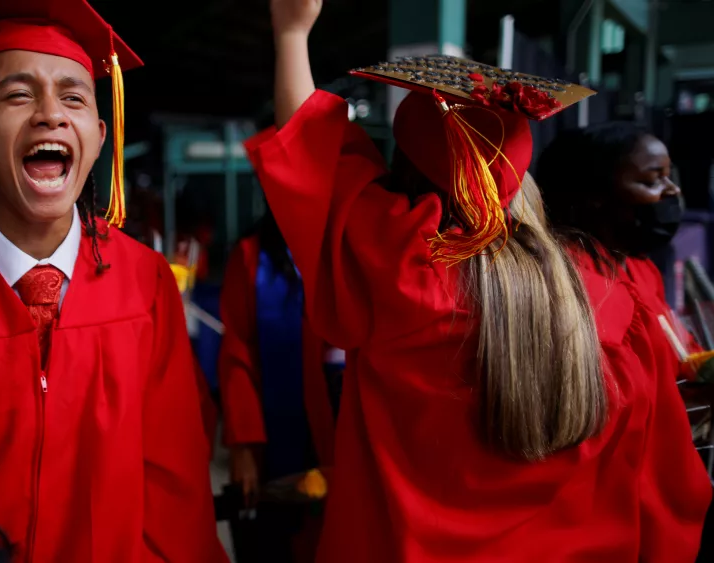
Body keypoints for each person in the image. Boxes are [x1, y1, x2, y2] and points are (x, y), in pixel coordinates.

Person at [244, 0, 710, 560]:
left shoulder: (397, 271)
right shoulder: (614, 306)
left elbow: (312, 154)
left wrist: (291, 32)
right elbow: (664, 493)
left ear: (405, 175)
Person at [0, 1, 226, 562]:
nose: (50, 115)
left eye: (73, 96)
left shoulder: (145, 281)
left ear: (100, 135)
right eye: (18, 94)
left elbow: (174, 483)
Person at [218, 208, 340, 562]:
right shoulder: (252, 257)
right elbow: (237, 354)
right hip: (277, 444)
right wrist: (243, 447)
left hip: (343, 435)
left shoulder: (350, 248)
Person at [538, 123, 702, 370]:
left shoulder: (641, 267)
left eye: (669, 176)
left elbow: (679, 351)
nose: (672, 190)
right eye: (651, 181)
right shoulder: (568, 281)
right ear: (594, 194)